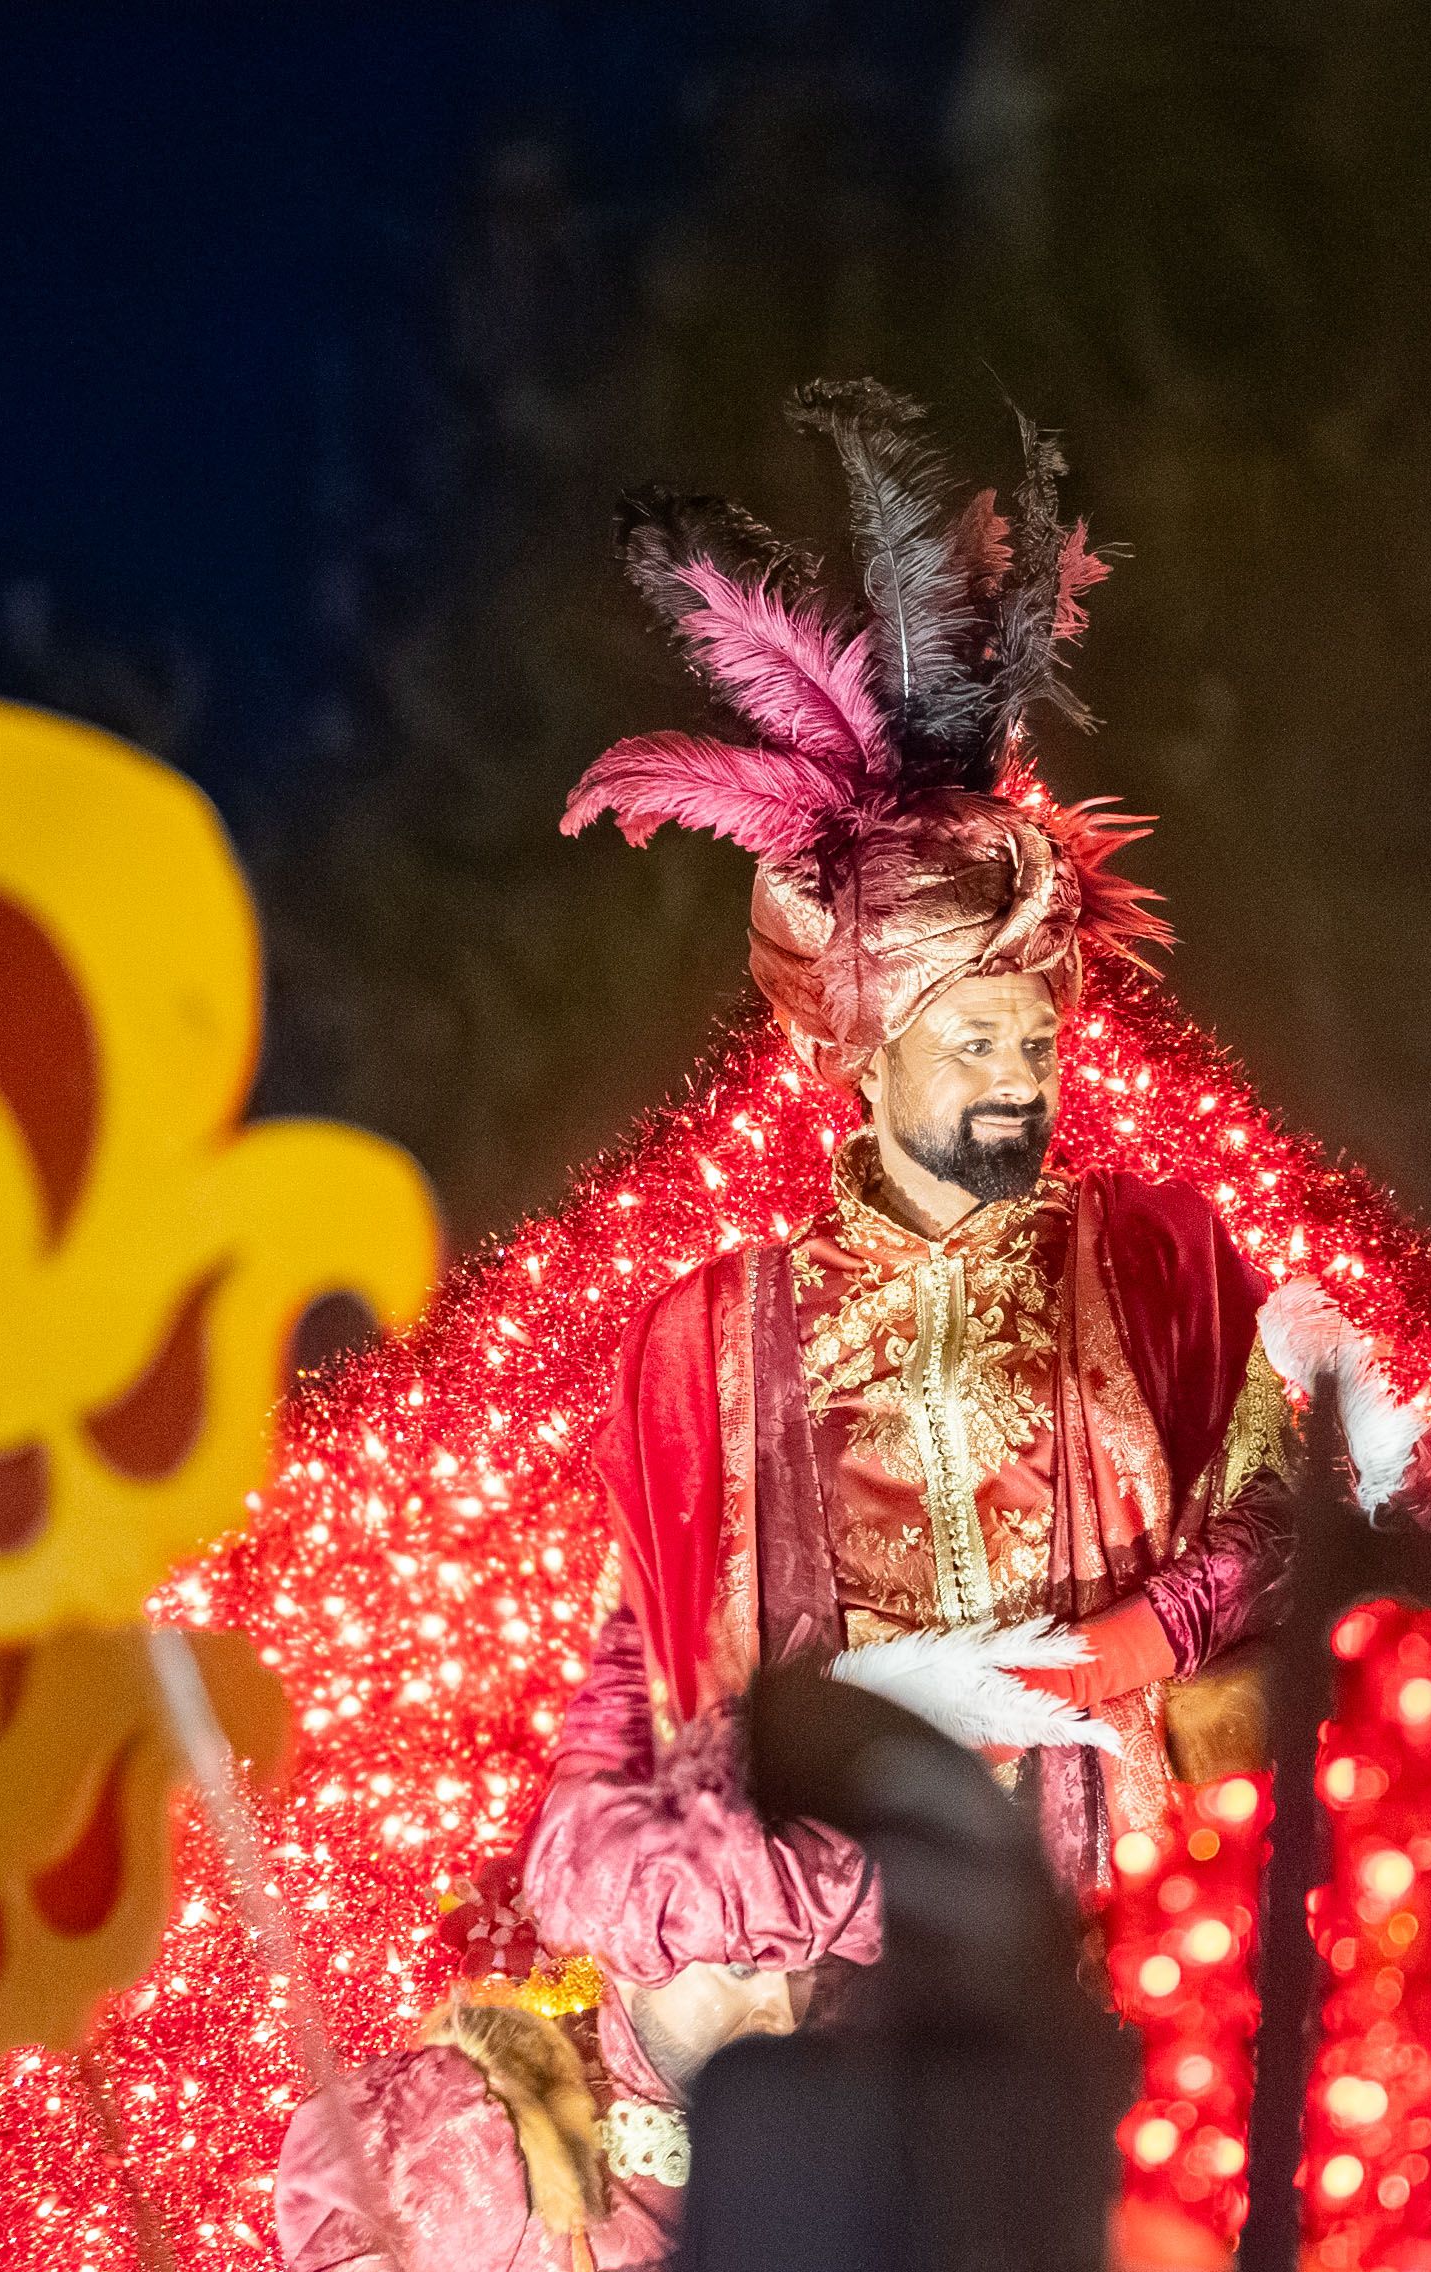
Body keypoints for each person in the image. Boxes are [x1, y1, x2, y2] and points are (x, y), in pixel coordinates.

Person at [559, 379, 1296, 1899]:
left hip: (1146, 1939)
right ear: (865, 1053)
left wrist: (1125, 1648)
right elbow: (640, 1712)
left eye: (1035, 1037)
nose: (1020, 1074)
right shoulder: (713, 1345)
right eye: (973, 1041)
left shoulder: (1155, 1264)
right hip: (861, 1950)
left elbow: (1294, 1515)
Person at [273, 1614, 880, 2272]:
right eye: (740, 1967)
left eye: (801, 1976)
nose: (781, 2017)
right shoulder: (469, 2153)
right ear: (625, 1948)